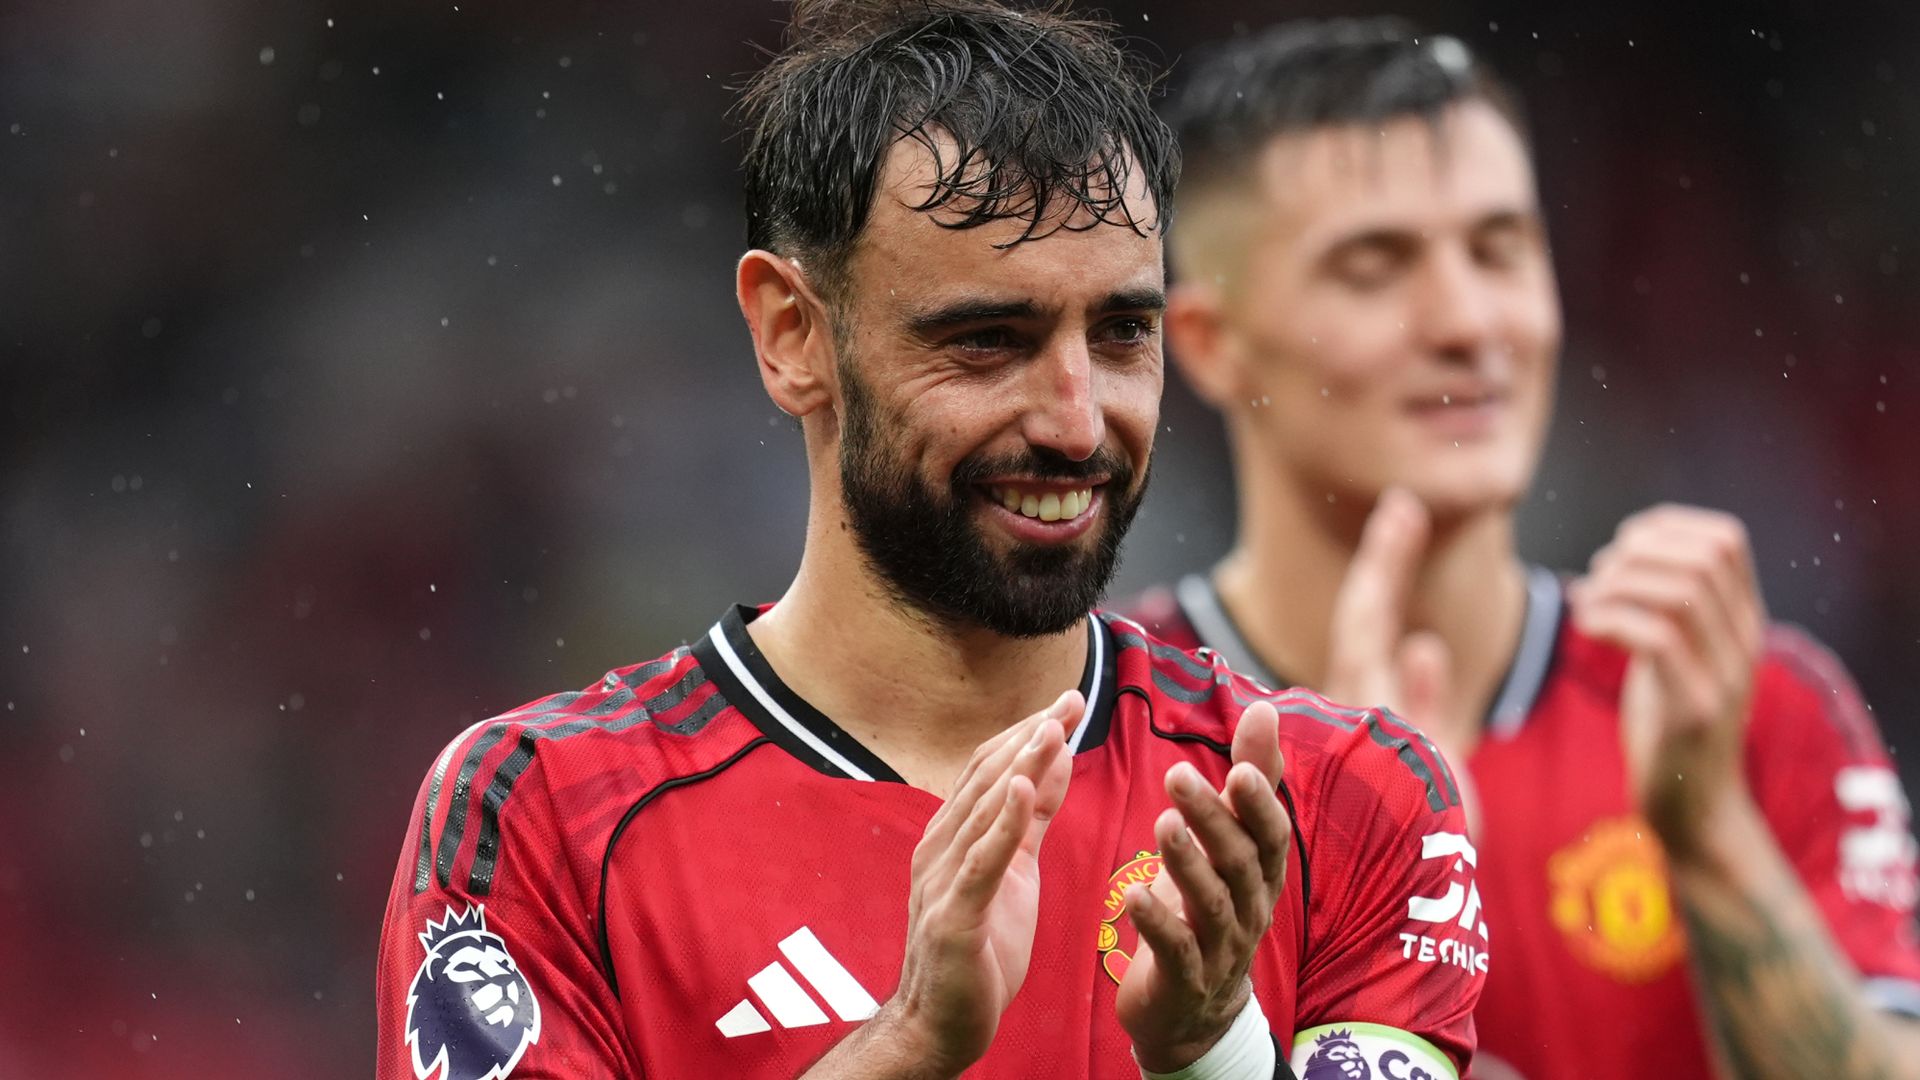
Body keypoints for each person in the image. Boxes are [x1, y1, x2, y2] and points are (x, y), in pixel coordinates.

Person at [374, 3, 1485, 1079]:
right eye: (989, 340)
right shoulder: (542, 820)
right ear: (792, 335)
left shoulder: (1344, 803)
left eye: (1120, 334)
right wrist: (904, 1048)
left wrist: (1216, 1054)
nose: (1077, 422)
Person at [1118, 18, 1920, 1080]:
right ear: (1210, 343)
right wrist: (1364, 871)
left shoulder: (1746, 706)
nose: (1467, 321)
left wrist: (1711, 835)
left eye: (1500, 249)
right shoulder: (1102, 735)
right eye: (1374, 266)